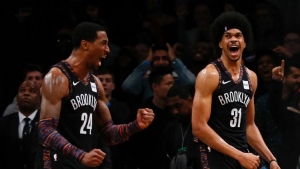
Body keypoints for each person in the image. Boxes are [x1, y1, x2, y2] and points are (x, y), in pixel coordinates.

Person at [35, 22, 155, 169]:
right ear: (85, 45)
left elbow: (108, 134)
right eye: (103, 43)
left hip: (82, 163)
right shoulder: (57, 77)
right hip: (57, 163)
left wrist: (135, 126)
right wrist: (81, 155)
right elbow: (45, 130)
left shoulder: (95, 83)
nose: (108, 50)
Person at [191, 12, 280, 169]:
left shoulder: (251, 77)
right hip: (214, 156)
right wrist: (239, 155)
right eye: (227, 36)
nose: (233, 39)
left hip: (240, 155)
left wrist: (271, 159)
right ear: (220, 43)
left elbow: (249, 126)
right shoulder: (209, 75)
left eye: (238, 36)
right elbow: (198, 127)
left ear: (244, 43)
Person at [0, 80, 41, 169]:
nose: (26, 94)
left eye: (32, 91)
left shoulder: (46, 123)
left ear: (39, 98)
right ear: (17, 97)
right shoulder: (4, 123)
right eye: (22, 91)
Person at [163, 85, 200, 169]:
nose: (175, 111)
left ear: (190, 101)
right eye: (171, 108)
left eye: (178, 106)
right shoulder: (170, 130)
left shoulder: (205, 124)